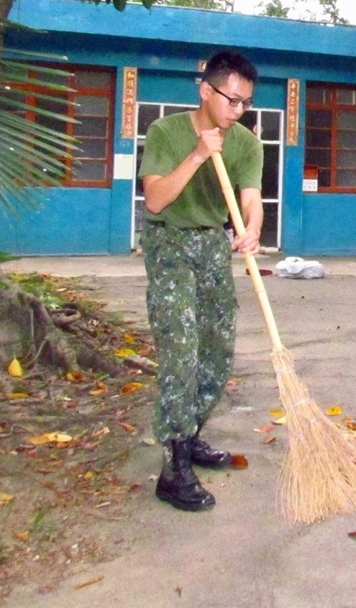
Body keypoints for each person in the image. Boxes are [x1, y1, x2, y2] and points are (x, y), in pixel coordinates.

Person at [138, 49, 264, 510]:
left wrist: (252, 228)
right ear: (204, 89)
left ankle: (189, 435)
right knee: (181, 345)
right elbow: (154, 200)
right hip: (168, 239)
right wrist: (197, 155)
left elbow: (251, 199)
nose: (237, 110)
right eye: (231, 99)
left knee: (217, 347)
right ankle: (173, 469)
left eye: (245, 103)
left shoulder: (247, 144)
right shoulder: (166, 132)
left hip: (212, 242)